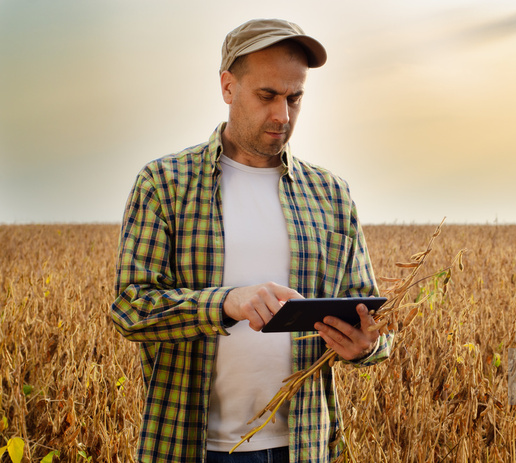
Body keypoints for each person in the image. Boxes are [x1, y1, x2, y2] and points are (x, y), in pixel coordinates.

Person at [111, 18, 392, 463]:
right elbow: (130, 307)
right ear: (227, 87)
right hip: (190, 446)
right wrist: (227, 303)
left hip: (303, 447)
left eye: (294, 98)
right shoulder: (163, 184)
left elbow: (373, 319)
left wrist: (367, 346)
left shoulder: (332, 193)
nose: (282, 115)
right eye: (267, 96)